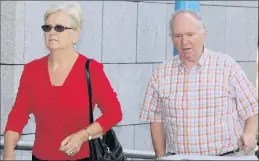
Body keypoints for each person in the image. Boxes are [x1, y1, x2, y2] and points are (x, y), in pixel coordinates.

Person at [3, 2, 122, 161]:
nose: (52, 32)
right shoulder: (32, 70)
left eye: (59, 28)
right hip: (40, 158)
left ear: (76, 35)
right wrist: (8, 153)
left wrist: (82, 136)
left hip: (82, 158)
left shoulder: (91, 69)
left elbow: (114, 113)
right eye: (47, 28)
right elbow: (17, 116)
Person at [139, 10, 258, 159]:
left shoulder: (227, 66)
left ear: (204, 34)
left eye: (190, 34)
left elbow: (252, 107)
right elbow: (155, 119)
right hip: (180, 158)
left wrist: (249, 134)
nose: (184, 41)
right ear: (171, 38)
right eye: (178, 36)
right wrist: (161, 156)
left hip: (226, 157)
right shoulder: (160, 74)